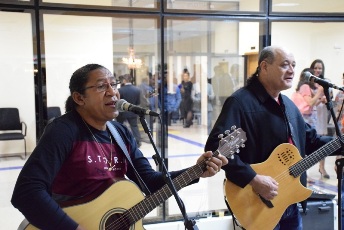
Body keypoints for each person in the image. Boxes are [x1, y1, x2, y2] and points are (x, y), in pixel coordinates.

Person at [11, 64, 228, 230]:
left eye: (113, 85)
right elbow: (26, 192)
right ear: (79, 98)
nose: (112, 92)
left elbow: (150, 182)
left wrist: (196, 171)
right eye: (100, 86)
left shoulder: (120, 133)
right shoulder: (64, 131)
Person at [205, 46, 339, 229]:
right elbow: (216, 148)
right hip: (258, 204)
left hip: (289, 202)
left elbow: (311, 141)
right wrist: (253, 178)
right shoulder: (240, 103)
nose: (292, 70)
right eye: (285, 65)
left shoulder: (289, 106)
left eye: (293, 65)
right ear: (264, 67)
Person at [310, 59, 331, 179]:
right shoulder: (308, 84)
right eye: (316, 68)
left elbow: (331, 98)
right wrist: (318, 99)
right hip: (311, 116)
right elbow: (309, 102)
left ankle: (322, 167)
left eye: (320, 68)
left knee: (323, 143)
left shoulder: (325, 82)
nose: (318, 70)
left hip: (322, 115)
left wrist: (326, 100)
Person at [116, 73, 142, 147]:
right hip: (133, 111)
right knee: (134, 126)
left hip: (122, 112)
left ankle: (120, 141)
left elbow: (118, 102)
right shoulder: (137, 89)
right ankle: (138, 142)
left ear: (124, 80)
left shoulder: (120, 90)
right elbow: (138, 102)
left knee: (120, 127)